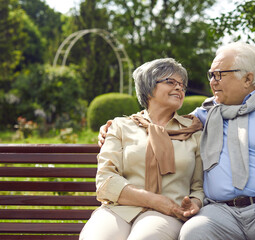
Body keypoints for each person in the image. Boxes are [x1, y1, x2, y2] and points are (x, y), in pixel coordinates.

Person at [98, 42, 255, 240]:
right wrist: (115, 127)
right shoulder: (205, 114)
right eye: (211, 74)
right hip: (220, 212)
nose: (212, 82)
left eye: (219, 75)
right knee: (193, 232)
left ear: (248, 79)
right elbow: (162, 121)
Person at [80, 58, 204, 240]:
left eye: (182, 85)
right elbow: (105, 181)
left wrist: (194, 202)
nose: (179, 88)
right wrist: (155, 200)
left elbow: (198, 186)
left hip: (168, 214)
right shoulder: (120, 126)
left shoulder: (193, 131)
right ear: (148, 87)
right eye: (170, 81)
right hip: (118, 210)